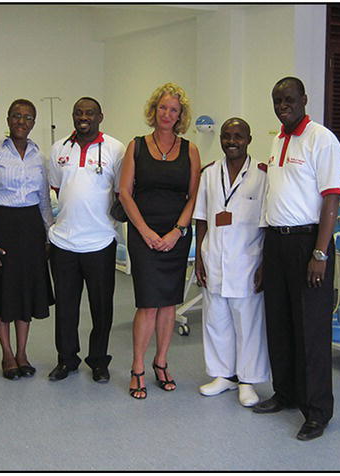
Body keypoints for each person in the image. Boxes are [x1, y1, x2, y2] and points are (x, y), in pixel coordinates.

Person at [253, 77, 340, 441]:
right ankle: (286, 393)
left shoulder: (321, 139)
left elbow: (331, 199)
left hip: (309, 244)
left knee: (311, 331)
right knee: (279, 323)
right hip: (276, 243)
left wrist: (320, 253)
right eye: (277, 100)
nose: (282, 105)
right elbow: (273, 198)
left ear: (304, 99)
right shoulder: (276, 141)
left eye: (289, 99)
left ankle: (317, 411)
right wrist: (263, 255)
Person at [119, 83, 201, 399]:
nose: (167, 114)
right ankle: (137, 366)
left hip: (176, 235)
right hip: (143, 234)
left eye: (174, 110)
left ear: (180, 116)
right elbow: (125, 193)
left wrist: (177, 231)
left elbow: (194, 196)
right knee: (148, 303)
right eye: (163, 108)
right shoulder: (136, 146)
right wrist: (146, 232)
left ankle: (162, 361)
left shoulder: (190, 150)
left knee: (169, 302)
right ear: (154, 111)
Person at [0, 99, 54, 380]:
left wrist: (48, 234)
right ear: (8, 119)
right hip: (0, 227)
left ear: (33, 122)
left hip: (30, 229)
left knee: (25, 291)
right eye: (17, 116)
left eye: (28, 117)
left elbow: (44, 200)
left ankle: (22, 353)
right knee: (2, 291)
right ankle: (6, 354)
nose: (22, 121)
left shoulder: (37, 156)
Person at [193, 118, 270, 408]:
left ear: (249, 139)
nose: (231, 141)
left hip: (246, 260)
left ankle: (247, 380)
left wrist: (264, 264)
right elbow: (201, 216)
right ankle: (222, 374)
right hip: (214, 256)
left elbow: (266, 223)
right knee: (216, 319)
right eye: (226, 136)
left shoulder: (262, 174)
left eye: (238, 136)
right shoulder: (210, 173)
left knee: (247, 322)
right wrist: (200, 256)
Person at [47, 97, 125, 383]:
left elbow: (122, 192)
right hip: (64, 243)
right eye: (79, 113)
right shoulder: (59, 149)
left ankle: (99, 361)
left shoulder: (116, 149)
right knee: (66, 309)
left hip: (101, 243)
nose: (84, 117)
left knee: (101, 308)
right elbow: (56, 188)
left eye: (90, 113)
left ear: (100, 117)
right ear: (72, 116)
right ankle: (66, 360)